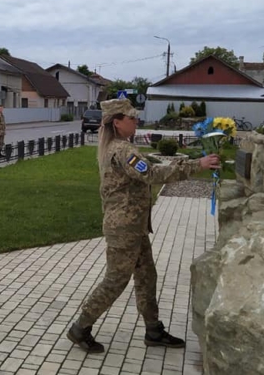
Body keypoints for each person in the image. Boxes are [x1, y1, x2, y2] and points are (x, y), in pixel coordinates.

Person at [67, 98, 220, 353]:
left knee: (147, 277)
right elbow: (152, 174)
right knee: (116, 280)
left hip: (134, 227)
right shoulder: (122, 150)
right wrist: (197, 165)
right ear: (117, 122)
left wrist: (187, 163)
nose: (135, 121)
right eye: (131, 118)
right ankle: (80, 327)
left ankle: (153, 330)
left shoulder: (122, 147)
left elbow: (150, 168)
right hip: (124, 229)